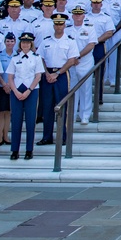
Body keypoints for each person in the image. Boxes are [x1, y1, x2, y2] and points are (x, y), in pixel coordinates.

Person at [37, 13, 80, 146]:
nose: (58, 26)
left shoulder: (70, 41)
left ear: (65, 25)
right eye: (56, 23)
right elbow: (40, 58)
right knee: (47, 107)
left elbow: (72, 60)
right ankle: (47, 136)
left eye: (61, 23)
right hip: (47, 75)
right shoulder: (46, 41)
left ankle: (62, 136)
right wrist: (47, 73)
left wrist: (57, 73)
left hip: (62, 75)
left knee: (62, 106)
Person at [7, 33, 44, 160]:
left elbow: (38, 76)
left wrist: (29, 90)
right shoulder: (15, 58)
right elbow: (10, 77)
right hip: (17, 90)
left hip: (31, 90)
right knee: (16, 121)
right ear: (20, 44)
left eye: (28, 43)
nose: (25, 45)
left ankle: (29, 150)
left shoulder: (36, 58)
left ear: (31, 44)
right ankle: (15, 150)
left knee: (30, 121)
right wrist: (15, 91)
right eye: (23, 42)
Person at [0, 32, 17, 147]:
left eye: (12, 41)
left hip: (12, 87)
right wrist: (4, 84)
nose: (9, 43)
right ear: (4, 42)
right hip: (0, 87)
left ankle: (6, 135)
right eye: (8, 41)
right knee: (0, 112)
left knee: (8, 112)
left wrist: (10, 84)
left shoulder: (17, 55)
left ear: (15, 42)